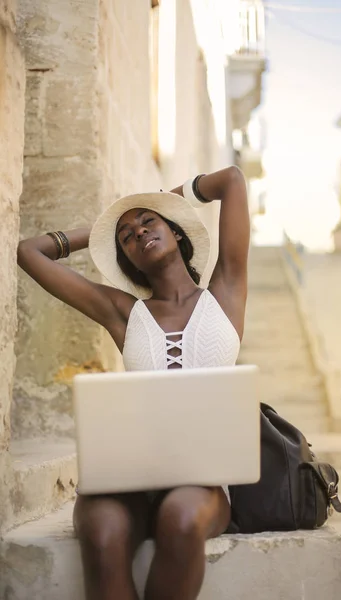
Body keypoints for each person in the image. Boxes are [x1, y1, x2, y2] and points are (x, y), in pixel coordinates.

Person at [17, 166, 250, 600]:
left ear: (178, 234)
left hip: (202, 484)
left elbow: (231, 181)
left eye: (149, 221)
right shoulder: (123, 312)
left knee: (180, 519)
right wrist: (106, 226)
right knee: (104, 531)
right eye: (127, 237)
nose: (139, 232)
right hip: (125, 481)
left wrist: (165, 196)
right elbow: (29, 252)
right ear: (127, 258)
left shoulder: (226, 291)